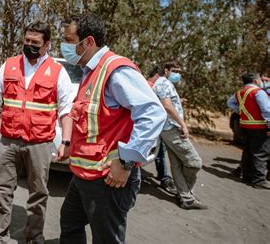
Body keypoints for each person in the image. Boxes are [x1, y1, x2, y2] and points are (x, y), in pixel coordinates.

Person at [58, 14, 167, 244]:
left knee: (106, 239)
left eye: (68, 40)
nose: (64, 46)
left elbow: (153, 114)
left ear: (88, 41)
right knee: (70, 223)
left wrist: (126, 162)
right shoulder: (90, 71)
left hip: (108, 179)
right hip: (83, 176)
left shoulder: (115, 69)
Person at [0, 21, 74, 244]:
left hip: (40, 143)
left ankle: (34, 237)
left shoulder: (57, 72)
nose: (30, 46)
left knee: (38, 192)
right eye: (27, 41)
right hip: (9, 140)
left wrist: (66, 142)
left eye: (36, 43)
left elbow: (67, 110)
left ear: (47, 45)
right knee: (2, 189)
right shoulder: (9, 65)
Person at [153, 62, 207, 209]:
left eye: (179, 71)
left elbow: (167, 103)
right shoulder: (164, 83)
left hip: (167, 128)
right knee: (194, 162)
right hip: (172, 128)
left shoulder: (163, 83)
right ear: (166, 70)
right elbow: (166, 105)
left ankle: (185, 197)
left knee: (177, 163)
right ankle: (186, 193)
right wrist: (183, 124)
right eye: (175, 71)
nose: (178, 74)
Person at [227, 72, 270, 189]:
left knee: (248, 151)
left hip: (245, 126)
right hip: (260, 126)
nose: (262, 81)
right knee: (260, 153)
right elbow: (267, 110)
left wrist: (241, 111)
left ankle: (246, 176)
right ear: (256, 81)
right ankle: (259, 180)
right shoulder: (258, 92)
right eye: (260, 79)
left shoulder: (240, 92)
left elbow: (229, 103)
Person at [147, 66, 177, 194]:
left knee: (159, 151)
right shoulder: (150, 85)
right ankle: (164, 177)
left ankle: (163, 175)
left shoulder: (151, 85)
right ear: (156, 76)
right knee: (159, 151)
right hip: (155, 125)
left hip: (156, 124)